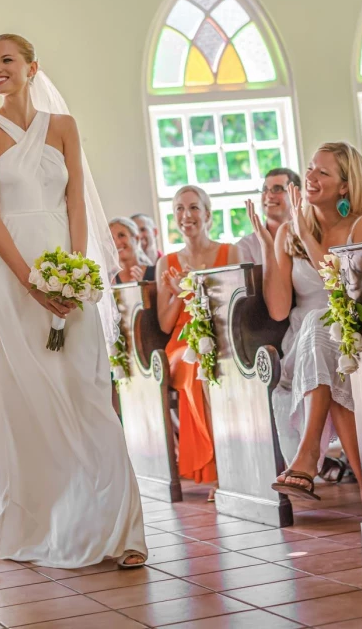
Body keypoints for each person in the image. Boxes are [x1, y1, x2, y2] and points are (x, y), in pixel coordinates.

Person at [0, 34, 146, 569]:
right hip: (11, 275)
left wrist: (71, 272)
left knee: (88, 393)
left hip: (66, 270)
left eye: (7, 60)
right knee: (27, 400)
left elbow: (75, 205)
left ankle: (122, 531)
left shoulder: (63, 128)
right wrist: (30, 282)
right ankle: (39, 522)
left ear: (31, 68)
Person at [246, 143, 362, 501]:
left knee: (326, 337)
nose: (310, 177)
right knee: (318, 334)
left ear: (344, 186)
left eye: (322, 172)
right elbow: (278, 309)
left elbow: (341, 288)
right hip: (303, 345)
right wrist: (268, 244)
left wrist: (305, 234)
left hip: (360, 333)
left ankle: (307, 456)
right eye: (310, 168)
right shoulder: (286, 233)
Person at [156, 186, 239, 500]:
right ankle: (218, 468)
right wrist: (179, 292)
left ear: (207, 214)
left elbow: (236, 304)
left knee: (217, 362)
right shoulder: (169, 262)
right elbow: (165, 325)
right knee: (196, 366)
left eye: (193, 208)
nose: (185, 216)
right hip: (182, 344)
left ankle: (238, 460)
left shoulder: (229, 253)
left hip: (223, 337)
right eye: (179, 208)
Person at [237, 168, 301, 264]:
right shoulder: (245, 247)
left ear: (296, 194)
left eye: (277, 189)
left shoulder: (311, 235)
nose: (269, 196)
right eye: (265, 190)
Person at [110, 216, 155, 284]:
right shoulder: (109, 278)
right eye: (112, 238)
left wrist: (141, 288)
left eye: (121, 235)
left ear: (136, 239)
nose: (117, 243)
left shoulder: (155, 272)